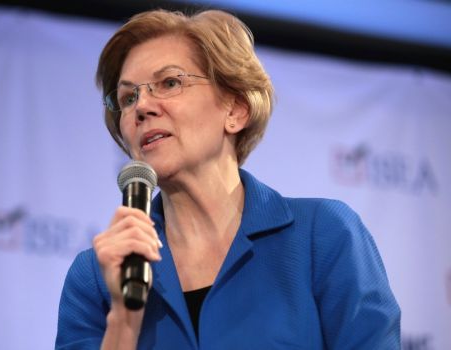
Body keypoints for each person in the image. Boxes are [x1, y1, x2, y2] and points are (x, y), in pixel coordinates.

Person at [56, 9, 401, 349]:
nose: (142, 107)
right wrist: (123, 319)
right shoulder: (96, 277)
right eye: (128, 97)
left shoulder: (322, 236)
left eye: (170, 83)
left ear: (235, 109)